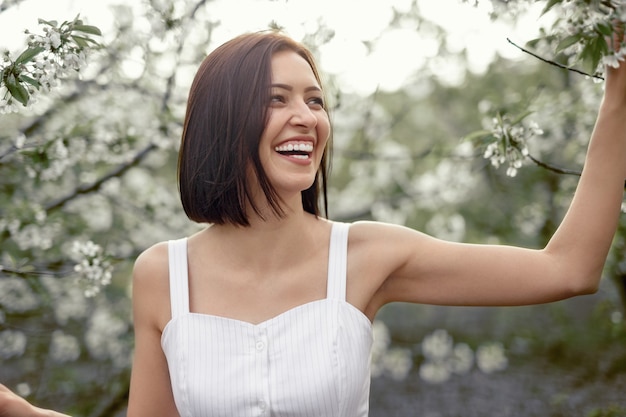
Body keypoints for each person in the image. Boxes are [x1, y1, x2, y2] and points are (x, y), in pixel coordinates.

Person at [2, 29, 625, 417]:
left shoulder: (368, 257)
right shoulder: (162, 275)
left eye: (315, 99)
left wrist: (619, 94)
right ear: (223, 122)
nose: (306, 116)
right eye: (276, 99)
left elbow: (566, 269)